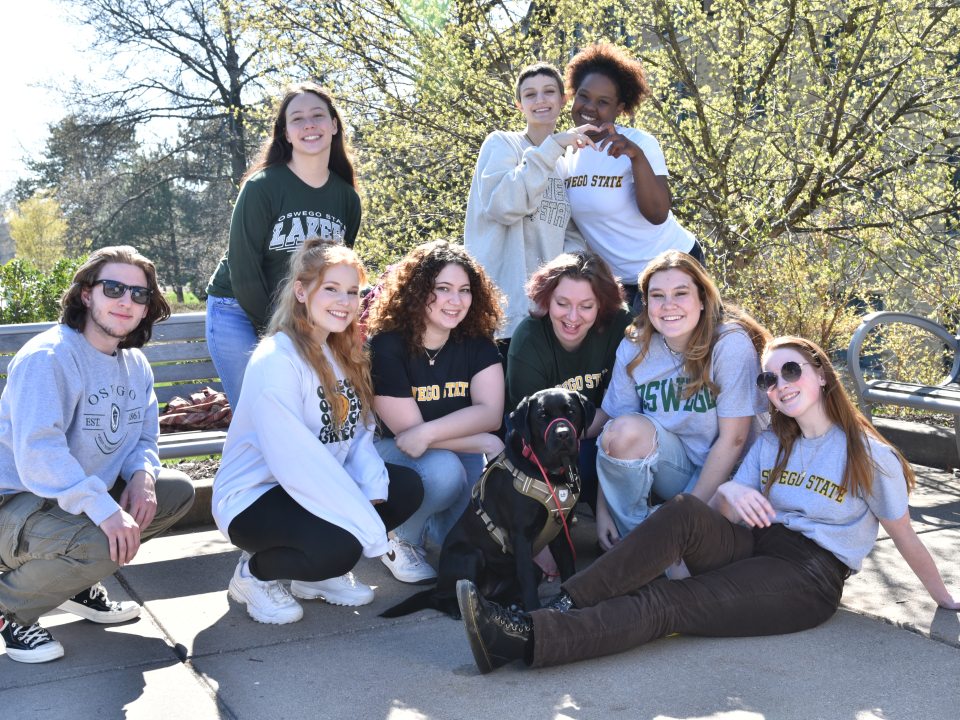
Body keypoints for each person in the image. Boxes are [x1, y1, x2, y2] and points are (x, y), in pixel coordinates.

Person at [456, 335, 960, 674]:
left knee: (671, 604)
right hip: (756, 543)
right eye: (768, 379)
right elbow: (718, 508)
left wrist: (946, 599)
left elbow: (905, 537)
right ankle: (568, 601)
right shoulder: (772, 443)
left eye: (791, 372)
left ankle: (525, 639)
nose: (780, 386)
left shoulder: (870, 455)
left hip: (808, 575)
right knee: (680, 511)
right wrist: (733, 491)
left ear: (822, 375)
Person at [0, 246, 196, 664]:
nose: (126, 301)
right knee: (105, 537)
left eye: (139, 294)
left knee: (174, 491)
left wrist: (142, 477)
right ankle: (11, 610)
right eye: (113, 288)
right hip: (15, 501)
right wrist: (104, 510)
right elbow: (40, 453)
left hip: (68, 499)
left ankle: (72, 584)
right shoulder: (49, 357)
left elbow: (144, 436)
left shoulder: (135, 364)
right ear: (87, 295)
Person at [213, 239, 423, 625]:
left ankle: (317, 580)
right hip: (254, 496)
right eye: (331, 288)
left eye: (352, 291)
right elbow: (298, 463)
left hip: (311, 483)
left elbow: (358, 434)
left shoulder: (340, 354)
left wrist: (374, 491)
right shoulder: (276, 359)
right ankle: (254, 576)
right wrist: (368, 527)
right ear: (301, 290)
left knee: (404, 487)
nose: (344, 301)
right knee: (341, 545)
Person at [597, 250, 769, 550]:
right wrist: (604, 509)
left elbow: (735, 441)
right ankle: (637, 546)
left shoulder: (729, 344)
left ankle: (661, 548)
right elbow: (612, 434)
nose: (669, 305)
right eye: (658, 295)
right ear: (646, 302)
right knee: (624, 431)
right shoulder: (635, 345)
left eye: (680, 293)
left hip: (732, 475)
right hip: (676, 466)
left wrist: (682, 518)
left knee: (691, 548)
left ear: (702, 299)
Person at [205, 82, 362, 407]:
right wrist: (284, 337)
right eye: (297, 119)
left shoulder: (346, 198)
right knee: (257, 413)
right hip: (237, 309)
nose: (309, 125)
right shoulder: (261, 188)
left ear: (334, 125)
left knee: (305, 413)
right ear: (286, 133)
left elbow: (339, 276)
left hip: (304, 318)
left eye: (318, 115)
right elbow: (245, 273)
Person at [367, 240, 505, 583]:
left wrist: (432, 432)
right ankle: (400, 540)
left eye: (464, 290)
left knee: (460, 543)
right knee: (444, 472)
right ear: (417, 291)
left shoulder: (477, 341)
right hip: (393, 457)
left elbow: (491, 413)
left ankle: (428, 526)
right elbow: (409, 438)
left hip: (454, 451)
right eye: (442, 289)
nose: (455, 301)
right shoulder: (387, 345)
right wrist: (484, 443)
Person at [464, 61, 598, 353]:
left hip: (547, 317)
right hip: (502, 318)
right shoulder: (502, 144)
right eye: (530, 94)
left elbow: (569, 236)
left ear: (563, 100)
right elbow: (504, 205)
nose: (540, 100)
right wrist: (553, 146)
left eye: (549, 92)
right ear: (518, 104)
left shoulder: (564, 165)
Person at [558, 43, 701, 307]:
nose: (589, 107)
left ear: (619, 108)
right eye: (583, 96)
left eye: (603, 102)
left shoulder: (639, 143)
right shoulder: (565, 151)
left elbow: (658, 214)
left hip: (669, 268)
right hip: (618, 283)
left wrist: (636, 157)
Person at [506, 252, 631, 512]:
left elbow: (625, 408)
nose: (573, 317)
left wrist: (607, 417)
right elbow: (532, 429)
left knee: (623, 448)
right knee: (577, 466)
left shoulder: (620, 328)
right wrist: (603, 416)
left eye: (586, 306)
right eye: (562, 303)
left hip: (602, 434)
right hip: (545, 441)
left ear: (602, 305)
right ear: (546, 300)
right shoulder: (529, 341)